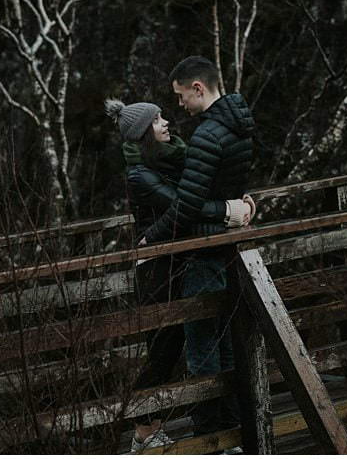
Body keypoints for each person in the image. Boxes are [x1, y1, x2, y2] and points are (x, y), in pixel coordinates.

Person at [104, 97, 253, 452]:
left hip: (180, 261)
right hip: (157, 269)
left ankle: (201, 425)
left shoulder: (170, 158)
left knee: (187, 343)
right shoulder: (140, 175)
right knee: (163, 350)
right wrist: (229, 210)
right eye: (157, 120)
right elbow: (183, 205)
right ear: (144, 133)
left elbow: (202, 185)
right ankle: (143, 431)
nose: (166, 122)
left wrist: (238, 198)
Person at [137, 55, 256, 442]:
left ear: (198, 88)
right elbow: (227, 188)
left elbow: (186, 205)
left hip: (204, 251)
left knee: (203, 347)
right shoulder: (240, 125)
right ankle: (233, 429)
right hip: (227, 244)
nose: (180, 105)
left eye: (181, 95)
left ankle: (212, 435)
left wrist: (151, 237)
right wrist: (234, 209)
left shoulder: (208, 134)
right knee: (225, 341)